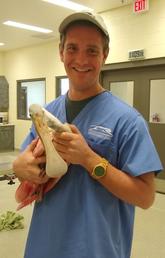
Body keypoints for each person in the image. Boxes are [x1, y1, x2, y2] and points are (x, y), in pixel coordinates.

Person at [13, 12, 163, 258]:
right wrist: (20, 168)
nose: (81, 59)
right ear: (61, 52)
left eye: (92, 50)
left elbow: (146, 197)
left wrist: (89, 160)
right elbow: (28, 170)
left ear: (104, 55)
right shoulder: (46, 114)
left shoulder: (127, 121)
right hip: (45, 245)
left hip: (96, 249)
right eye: (72, 48)